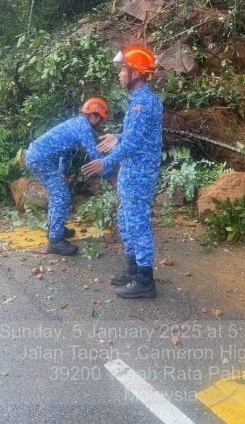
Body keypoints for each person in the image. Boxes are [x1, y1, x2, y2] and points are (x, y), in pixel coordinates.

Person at [82, 45, 163, 299]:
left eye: (122, 70)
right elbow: (132, 137)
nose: (119, 74)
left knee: (138, 225)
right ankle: (132, 269)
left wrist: (105, 163)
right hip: (131, 174)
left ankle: (145, 280)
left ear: (136, 73)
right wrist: (117, 136)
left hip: (139, 175)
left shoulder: (144, 104)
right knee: (126, 221)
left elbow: (132, 145)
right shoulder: (138, 100)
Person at [25, 97, 109, 256]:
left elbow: (65, 152)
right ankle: (55, 241)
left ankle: (55, 228)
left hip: (37, 157)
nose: (102, 123)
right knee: (61, 195)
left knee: (58, 193)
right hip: (39, 159)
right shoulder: (83, 127)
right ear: (94, 116)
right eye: (101, 119)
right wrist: (110, 174)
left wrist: (63, 172)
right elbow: (95, 155)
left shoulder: (78, 123)